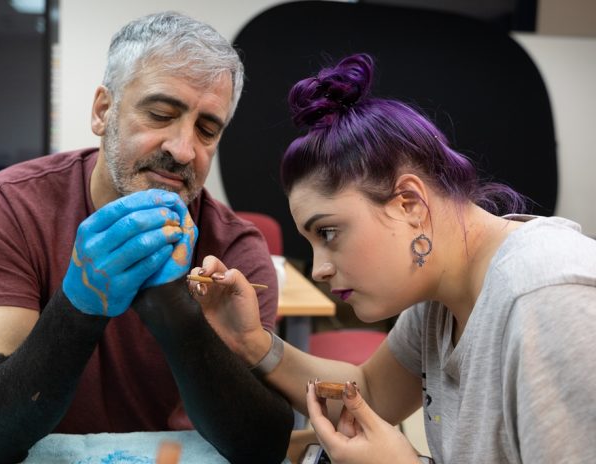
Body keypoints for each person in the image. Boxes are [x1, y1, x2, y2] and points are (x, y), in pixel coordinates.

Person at [191, 53, 596, 463]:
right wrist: (252, 342)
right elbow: (369, 392)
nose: (319, 268)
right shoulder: (441, 300)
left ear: (409, 204)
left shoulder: (548, 298)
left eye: (328, 232)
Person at [0, 11, 293, 464]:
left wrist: (174, 309)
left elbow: (261, 445)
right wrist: (78, 306)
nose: (183, 150)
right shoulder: (8, 206)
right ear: (103, 111)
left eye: (207, 130)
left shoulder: (236, 249)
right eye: (161, 114)